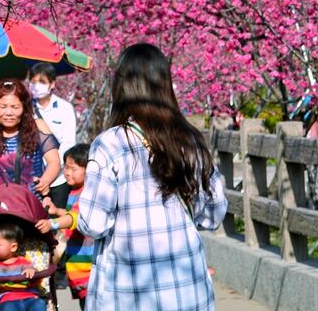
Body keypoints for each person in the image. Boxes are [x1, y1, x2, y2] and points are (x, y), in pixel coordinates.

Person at [78, 43, 227, 311]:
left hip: (128, 290)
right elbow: (213, 214)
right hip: (186, 288)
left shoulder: (110, 143)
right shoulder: (191, 140)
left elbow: (93, 223)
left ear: (122, 87)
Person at [0, 80, 61, 200]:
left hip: (30, 203)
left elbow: (54, 161)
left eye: (15, 107)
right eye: (3, 107)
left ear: (24, 107)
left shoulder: (37, 126)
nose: (9, 113)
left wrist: (45, 181)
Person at [36, 143, 93, 308]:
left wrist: (52, 223)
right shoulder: (74, 191)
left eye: (73, 168)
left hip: (88, 265)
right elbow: (71, 213)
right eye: (66, 167)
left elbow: (75, 218)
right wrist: (57, 210)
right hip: (77, 262)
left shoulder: (88, 193)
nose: (67, 172)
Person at [27, 63, 78, 211]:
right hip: (32, 178)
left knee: (54, 218)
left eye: (42, 82)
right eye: (33, 81)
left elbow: (69, 142)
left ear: (52, 84)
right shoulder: (25, 108)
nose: (37, 86)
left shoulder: (64, 108)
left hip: (58, 179)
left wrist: (52, 167)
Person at [0, 223, 47, 311]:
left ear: (13, 247)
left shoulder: (23, 262)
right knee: (8, 308)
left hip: (29, 296)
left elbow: (35, 277)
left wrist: (31, 271)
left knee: (39, 304)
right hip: (6, 298)